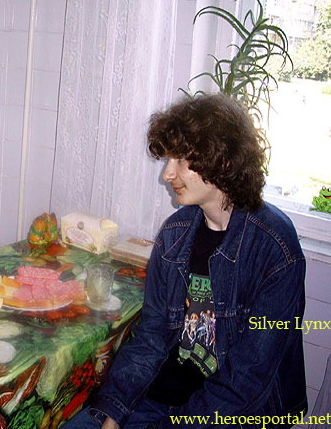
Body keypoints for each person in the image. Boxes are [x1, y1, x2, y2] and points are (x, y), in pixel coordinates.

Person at [65, 94, 307, 429]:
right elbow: (150, 337)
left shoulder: (274, 247)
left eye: (180, 159)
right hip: (161, 398)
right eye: (169, 159)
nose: (168, 173)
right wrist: (114, 412)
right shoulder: (174, 234)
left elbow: (247, 381)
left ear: (221, 160)